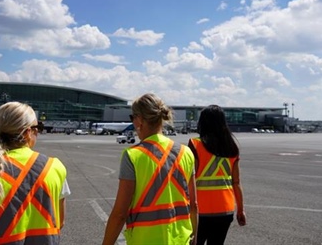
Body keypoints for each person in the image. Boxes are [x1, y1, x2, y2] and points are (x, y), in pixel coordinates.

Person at [0, 101, 70, 245]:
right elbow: (60, 221)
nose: (38, 132)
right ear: (28, 132)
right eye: (37, 127)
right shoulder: (55, 167)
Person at [102, 93, 198, 245]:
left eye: (132, 118)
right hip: (181, 239)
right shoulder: (186, 152)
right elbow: (193, 205)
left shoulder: (133, 155)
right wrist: (194, 239)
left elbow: (120, 213)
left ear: (139, 119)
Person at [188, 104, 246, 245]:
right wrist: (240, 210)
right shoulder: (232, 147)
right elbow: (236, 182)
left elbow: (189, 179)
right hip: (224, 210)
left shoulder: (195, 145)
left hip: (200, 210)